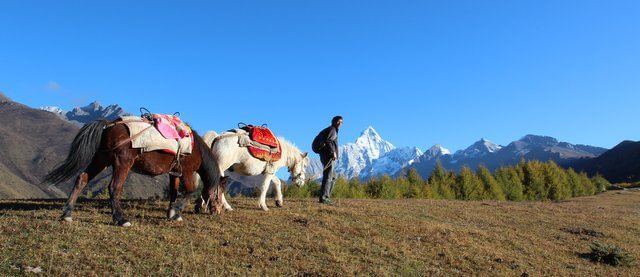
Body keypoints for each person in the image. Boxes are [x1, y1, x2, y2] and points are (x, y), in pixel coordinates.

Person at [312, 116, 343, 204]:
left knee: (332, 177)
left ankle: (326, 196)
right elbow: (329, 141)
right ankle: (324, 198)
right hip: (328, 155)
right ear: (334, 122)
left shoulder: (331, 130)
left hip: (325, 154)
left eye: (341, 122)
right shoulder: (332, 130)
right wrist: (333, 152)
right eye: (338, 122)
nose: (340, 124)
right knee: (328, 176)